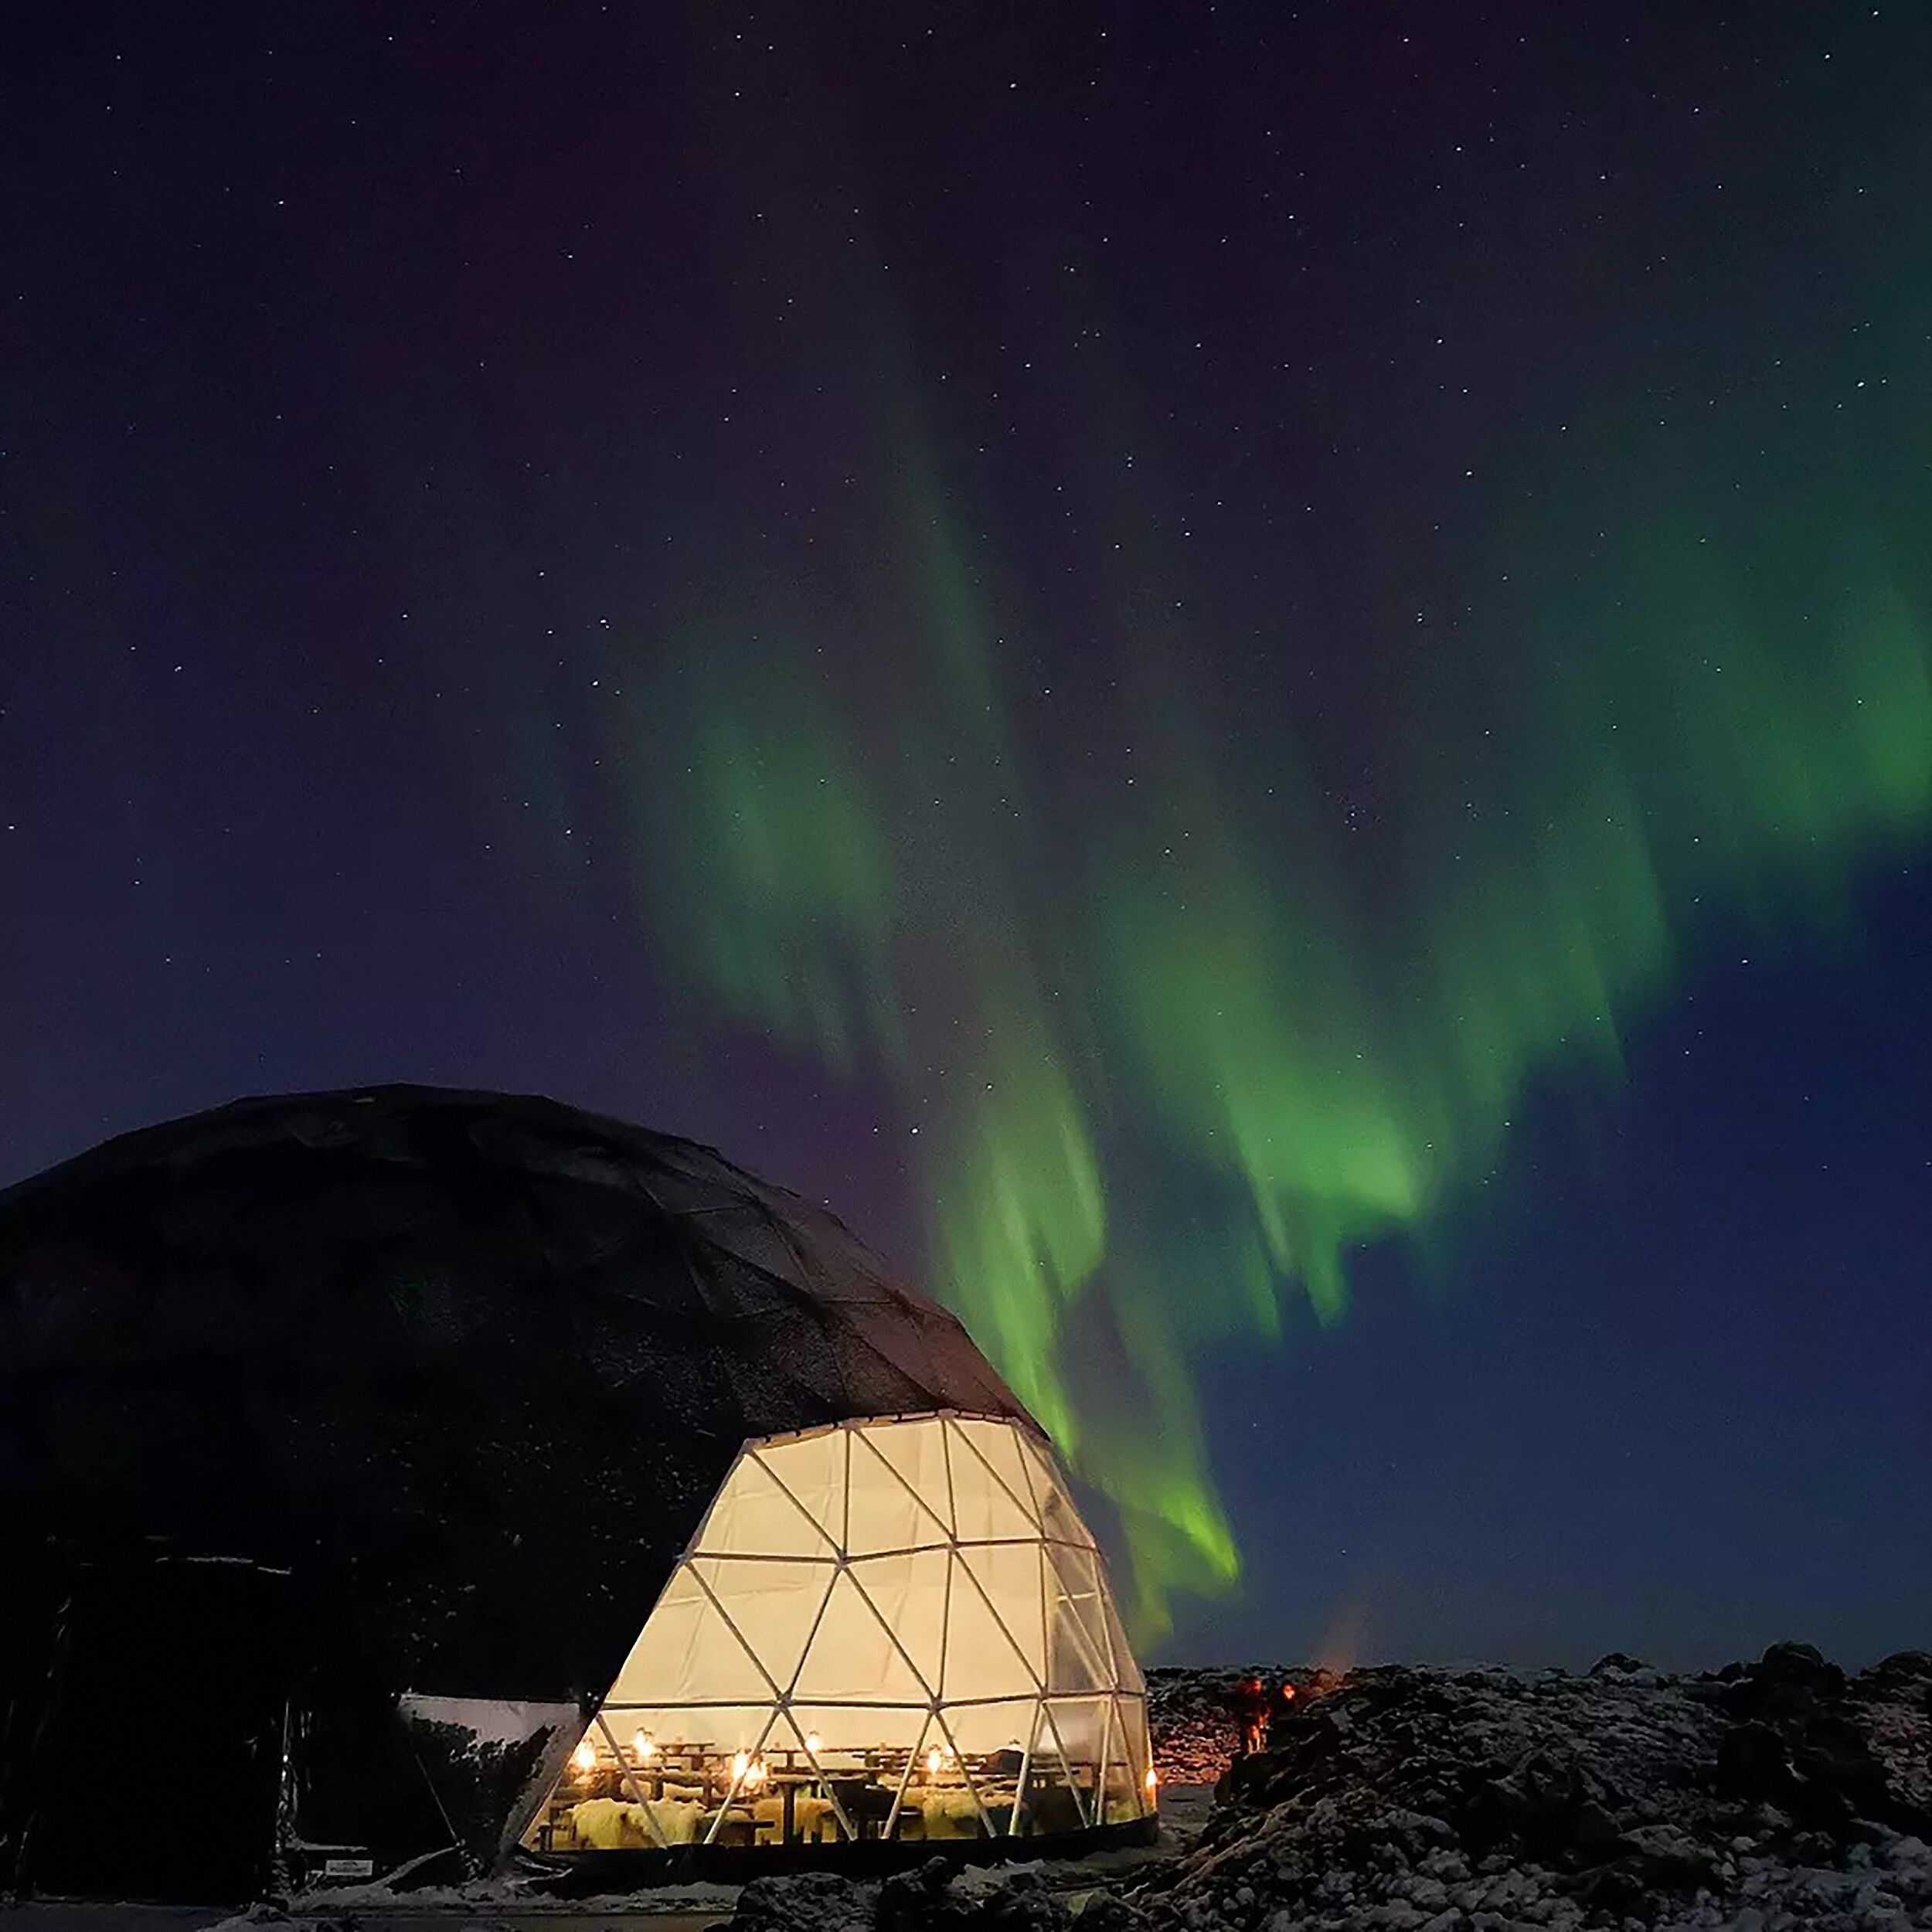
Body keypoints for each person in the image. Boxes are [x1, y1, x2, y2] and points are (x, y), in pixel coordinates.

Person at [1228, 1672, 1270, 1757]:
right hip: (1246, 1720)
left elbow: (1265, 1707)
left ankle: (1257, 1750)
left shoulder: (1260, 1696)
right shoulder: (1241, 1696)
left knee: (1256, 1736)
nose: (1257, 1687)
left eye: (1258, 1685)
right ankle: (1248, 1752)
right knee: (1247, 1736)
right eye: (1255, 1685)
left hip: (1257, 1720)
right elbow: (1234, 1705)